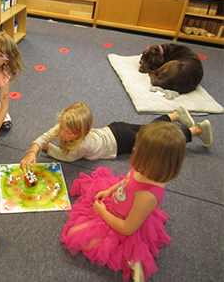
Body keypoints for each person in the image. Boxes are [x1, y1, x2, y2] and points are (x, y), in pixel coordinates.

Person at [60, 121, 187, 282]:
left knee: (75, 235)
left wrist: (102, 212)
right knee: (94, 189)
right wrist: (109, 190)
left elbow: (127, 228)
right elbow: (126, 181)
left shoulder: (147, 195)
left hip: (121, 222)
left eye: (137, 150)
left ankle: (133, 259)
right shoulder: (145, 169)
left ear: (152, 160)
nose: (133, 150)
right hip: (119, 202)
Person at [20, 102, 212, 170]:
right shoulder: (68, 125)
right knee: (149, 127)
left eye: (68, 133)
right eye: (61, 128)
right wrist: (33, 150)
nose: (62, 134)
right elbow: (46, 135)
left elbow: (66, 157)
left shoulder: (81, 145)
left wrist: (48, 149)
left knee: (156, 140)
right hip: (115, 128)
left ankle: (197, 130)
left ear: (84, 132)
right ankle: (176, 114)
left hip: (122, 142)